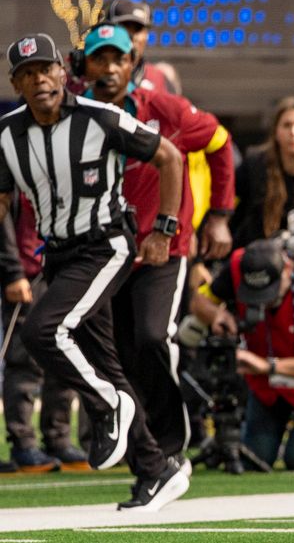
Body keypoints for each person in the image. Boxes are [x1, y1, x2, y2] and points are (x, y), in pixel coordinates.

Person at [0, 32, 188, 512]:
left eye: (46, 69)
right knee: (104, 361)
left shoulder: (100, 117)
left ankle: (109, 406)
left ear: (64, 72)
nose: (38, 79)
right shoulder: (8, 135)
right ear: (15, 83)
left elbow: (170, 156)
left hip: (106, 244)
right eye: (26, 73)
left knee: (44, 330)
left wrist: (164, 229)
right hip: (58, 253)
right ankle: (155, 468)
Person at [80, 23, 235, 464]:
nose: (110, 68)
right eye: (100, 59)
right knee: (118, 353)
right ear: (84, 66)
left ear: (133, 65)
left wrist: (220, 216)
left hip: (162, 249)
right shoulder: (78, 119)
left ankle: (172, 441)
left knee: (151, 337)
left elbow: (221, 142)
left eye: (119, 59)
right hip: (105, 253)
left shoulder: (167, 109)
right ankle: (142, 445)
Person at [188, 239, 294, 469]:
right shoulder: (239, 265)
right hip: (268, 386)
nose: (263, 302)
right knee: (254, 459)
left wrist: (269, 366)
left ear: (287, 270)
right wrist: (216, 315)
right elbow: (199, 302)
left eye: (269, 292)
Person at [0, 193, 85, 472]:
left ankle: (57, 437)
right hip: (27, 269)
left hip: (63, 268)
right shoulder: (13, 154)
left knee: (65, 352)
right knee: (24, 360)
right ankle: (23, 443)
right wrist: (12, 271)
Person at [230, 96, 294, 249]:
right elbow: (227, 200)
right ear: (276, 132)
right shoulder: (255, 163)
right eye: (287, 125)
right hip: (254, 253)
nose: (293, 132)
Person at [101, 0, 174, 94]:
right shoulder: (93, 71)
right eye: (124, 27)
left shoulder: (158, 78)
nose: (132, 36)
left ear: (147, 35)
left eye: (138, 29)